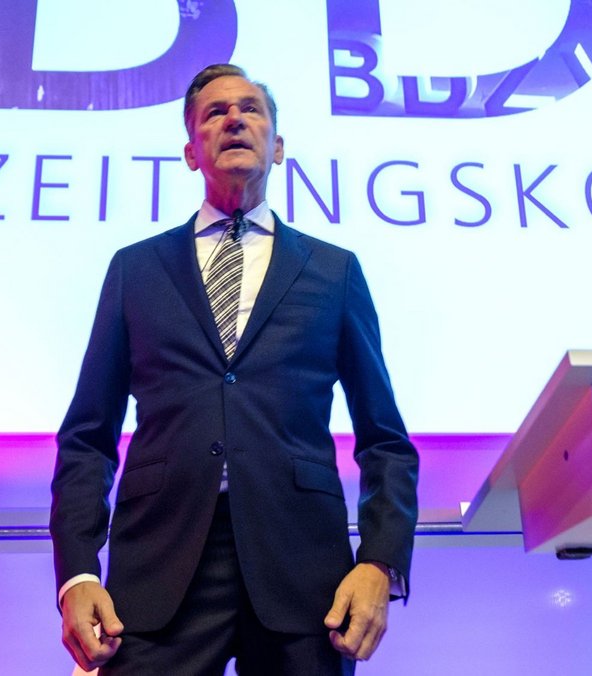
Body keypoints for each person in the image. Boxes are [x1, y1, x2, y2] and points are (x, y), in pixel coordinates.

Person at [50, 63, 419, 675]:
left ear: (277, 146)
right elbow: (87, 438)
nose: (234, 119)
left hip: (305, 574)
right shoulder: (134, 270)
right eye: (214, 113)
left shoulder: (334, 271)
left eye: (250, 109)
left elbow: (386, 441)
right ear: (192, 152)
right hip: (158, 570)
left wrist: (379, 561)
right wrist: (78, 573)